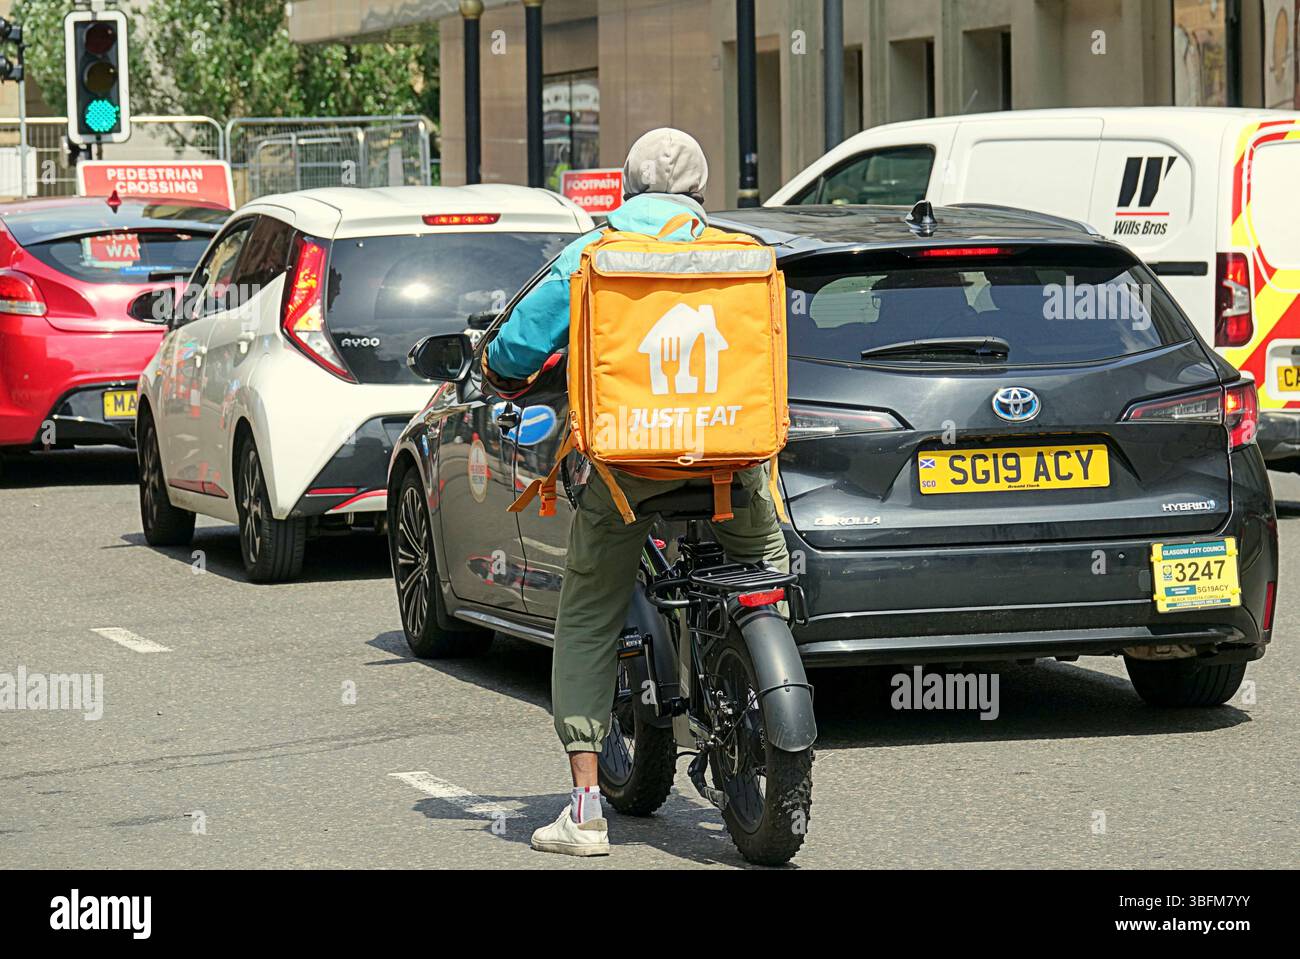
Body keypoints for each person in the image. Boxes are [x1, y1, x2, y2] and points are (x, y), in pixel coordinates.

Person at [483, 128, 789, 857]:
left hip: (629, 475)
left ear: (625, 190)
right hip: (731, 465)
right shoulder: (740, 253)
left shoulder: (590, 255)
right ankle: (766, 681)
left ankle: (585, 810)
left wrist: (496, 370)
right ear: (701, 195)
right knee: (768, 575)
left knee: (587, 613)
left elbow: (513, 351)